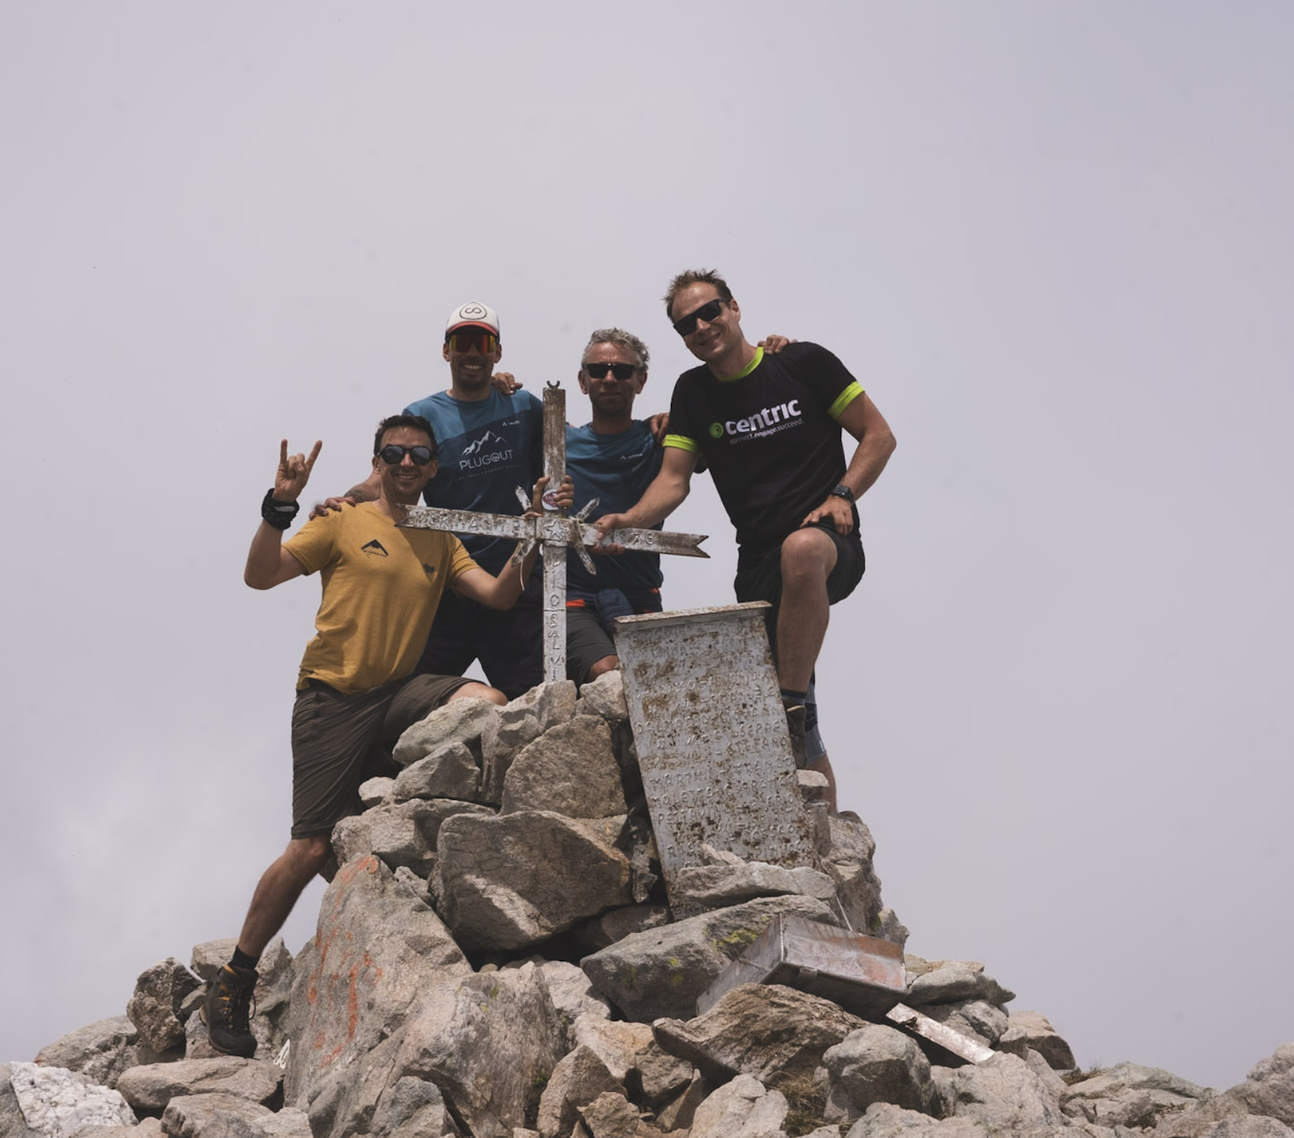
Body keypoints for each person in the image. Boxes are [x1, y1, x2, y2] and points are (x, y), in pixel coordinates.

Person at [207, 415, 548, 1058]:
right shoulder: (342, 518)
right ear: (378, 461)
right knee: (308, 850)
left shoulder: (437, 537)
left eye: (418, 454)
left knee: (488, 701)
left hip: (396, 696)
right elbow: (261, 574)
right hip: (331, 699)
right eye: (394, 453)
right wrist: (279, 505)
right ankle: (236, 976)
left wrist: (531, 538)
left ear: (433, 467)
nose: (406, 463)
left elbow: (499, 596)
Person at [594, 270, 897, 808]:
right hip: (756, 564)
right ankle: (823, 829)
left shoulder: (802, 364)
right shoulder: (694, 392)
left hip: (826, 540)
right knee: (800, 715)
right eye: (686, 325)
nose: (702, 327)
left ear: (734, 308)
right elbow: (674, 479)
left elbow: (879, 434)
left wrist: (843, 494)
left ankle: (787, 709)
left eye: (710, 312)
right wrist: (632, 520)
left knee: (799, 562)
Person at [337, 303, 550, 699]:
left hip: (516, 579)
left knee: (530, 703)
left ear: (497, 352)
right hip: (447, 579)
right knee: (402, 693)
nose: (472, 352)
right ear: (446, 350)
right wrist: (349, 500)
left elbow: (568, 450)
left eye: (482, 342)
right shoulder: (422, 415)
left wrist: (650, 426)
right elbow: (388, 479)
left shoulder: (523, 406)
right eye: (462, 342)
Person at [562, 327, 668, 683]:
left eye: (622, 371)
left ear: (641, 381)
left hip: (641, 594)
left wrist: (772, 351)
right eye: (598, 370)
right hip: (574, 597)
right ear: (582, 380)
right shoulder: (555, 441)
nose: (609, 378)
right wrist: (501, 383)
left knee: (654, 689)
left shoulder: (661, 439)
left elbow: (728, 407)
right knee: (608, 674)